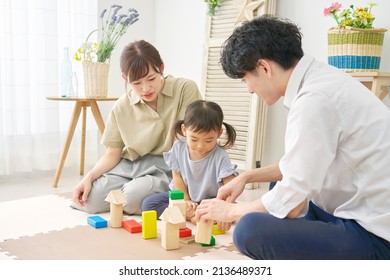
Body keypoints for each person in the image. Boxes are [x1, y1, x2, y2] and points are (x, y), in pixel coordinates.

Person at [195, 15, 390, 260]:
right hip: (356, 210)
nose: (249, 90)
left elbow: (295, 192)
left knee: (248, 230)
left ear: (264, 67)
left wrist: (231, 212)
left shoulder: (313, 101)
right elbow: (300, 164)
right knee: (278, 189)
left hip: (375, 236)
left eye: (246, 79)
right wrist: (246, 176)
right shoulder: (320, 79)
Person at [72, 40, 202, 214]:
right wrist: (89, 177)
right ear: (125, 78)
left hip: (167, 167)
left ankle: (147, 194)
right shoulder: (121, 106)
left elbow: (186, 144)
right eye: (136, 83)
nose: (145, 88)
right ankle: (139, 191)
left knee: (132, 199)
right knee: (90, 201)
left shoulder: (185, 89)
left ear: (161, 69)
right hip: (130, 166)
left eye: (151, 79)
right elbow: (112, 153)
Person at [142, 100, 238, 223]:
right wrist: (185, 200)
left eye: (208, 141)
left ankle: (197, 215)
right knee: (148, 204)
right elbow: (177, 177)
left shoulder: (220, 156)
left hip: (209, 201)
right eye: (194, 139)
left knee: (233, 211)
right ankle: (192, 216)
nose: (200, 146)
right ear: (184, 130)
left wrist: (225, 206)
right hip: (185, 196)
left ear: (219, 133)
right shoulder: (178, 148)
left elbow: (230, 186)